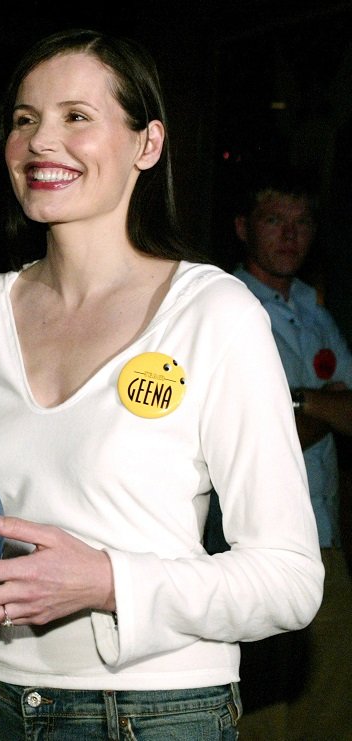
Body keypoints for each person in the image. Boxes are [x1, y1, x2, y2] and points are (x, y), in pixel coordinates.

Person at [0, 28, 324, 740]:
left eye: (77, 116)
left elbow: (291, 580)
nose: (43, 140)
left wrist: (110, 581)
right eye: (25, 119)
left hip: (157, 711)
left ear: (148, 144)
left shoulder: (213, 313)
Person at [231, 168, 352, 740]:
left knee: (328, 708)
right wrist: (319, 407)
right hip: (251, 544)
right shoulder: (227, 307)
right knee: (260, 715)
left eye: (302, 222)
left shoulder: (312, 305)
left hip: (325, 541)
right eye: (275, 220)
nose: (290, 236)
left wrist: (297, 402)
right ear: (242, 228)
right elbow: (259, 434)